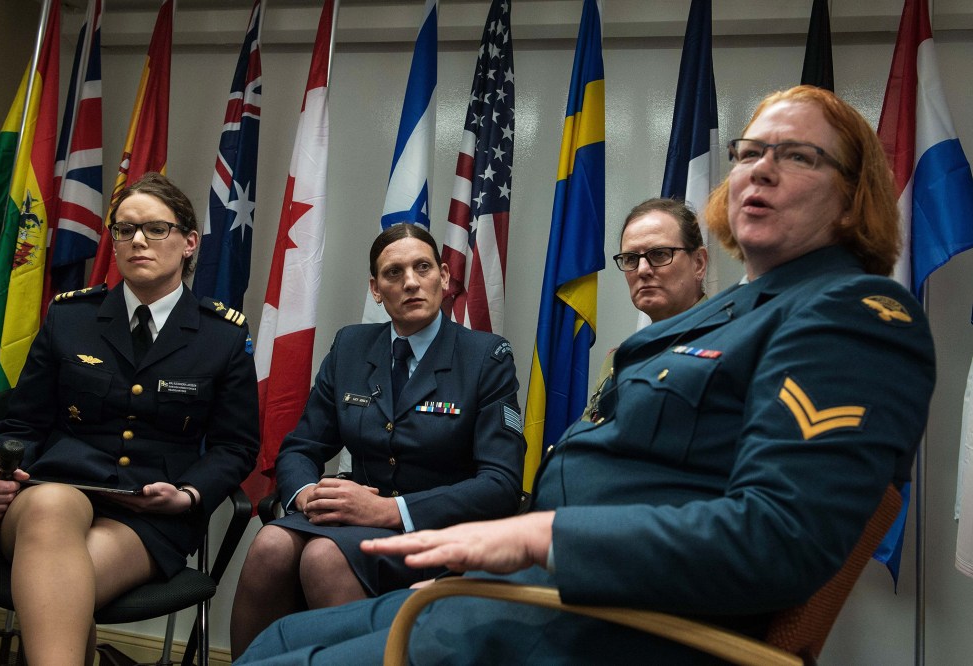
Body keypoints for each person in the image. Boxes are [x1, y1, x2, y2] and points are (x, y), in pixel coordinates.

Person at [235, 85, 937, 665]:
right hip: (542, 592)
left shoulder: (854, 315)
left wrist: (542, 536)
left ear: (851, 197)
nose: (761, 169)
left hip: (610, 626)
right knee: (277, 637)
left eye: (799, 155)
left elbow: (778, 539)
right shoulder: (742, 309)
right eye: (750, 152)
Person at [0, 172, 259, 666]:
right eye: (124, 230)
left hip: (145, 517)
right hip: (49, 494)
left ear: (190, 243)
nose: (138, 240)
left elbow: (235, 446)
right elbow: (21, 424)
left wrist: (189, 494)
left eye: (156, 228)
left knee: (59, 591)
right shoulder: (71, 318)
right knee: (51, 505)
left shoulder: (222, 337)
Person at [229, 223, 525, 658]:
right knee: (272, 543)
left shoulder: (486, 357)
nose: (410, 281)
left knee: (323, 557)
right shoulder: (351, 346)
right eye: (393, 273)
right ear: (375, 289)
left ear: (444, 277)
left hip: (436, 533)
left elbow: (501, 484)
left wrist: (390, 510)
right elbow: (301, 447)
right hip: (352, 523)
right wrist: (309, 494)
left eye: (422, 267)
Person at [584, 197, 708, 421]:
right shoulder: (619, 360)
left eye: (659, 254)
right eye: (631, 258)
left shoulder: (735, 342)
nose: (642, 270)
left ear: (698, 263)